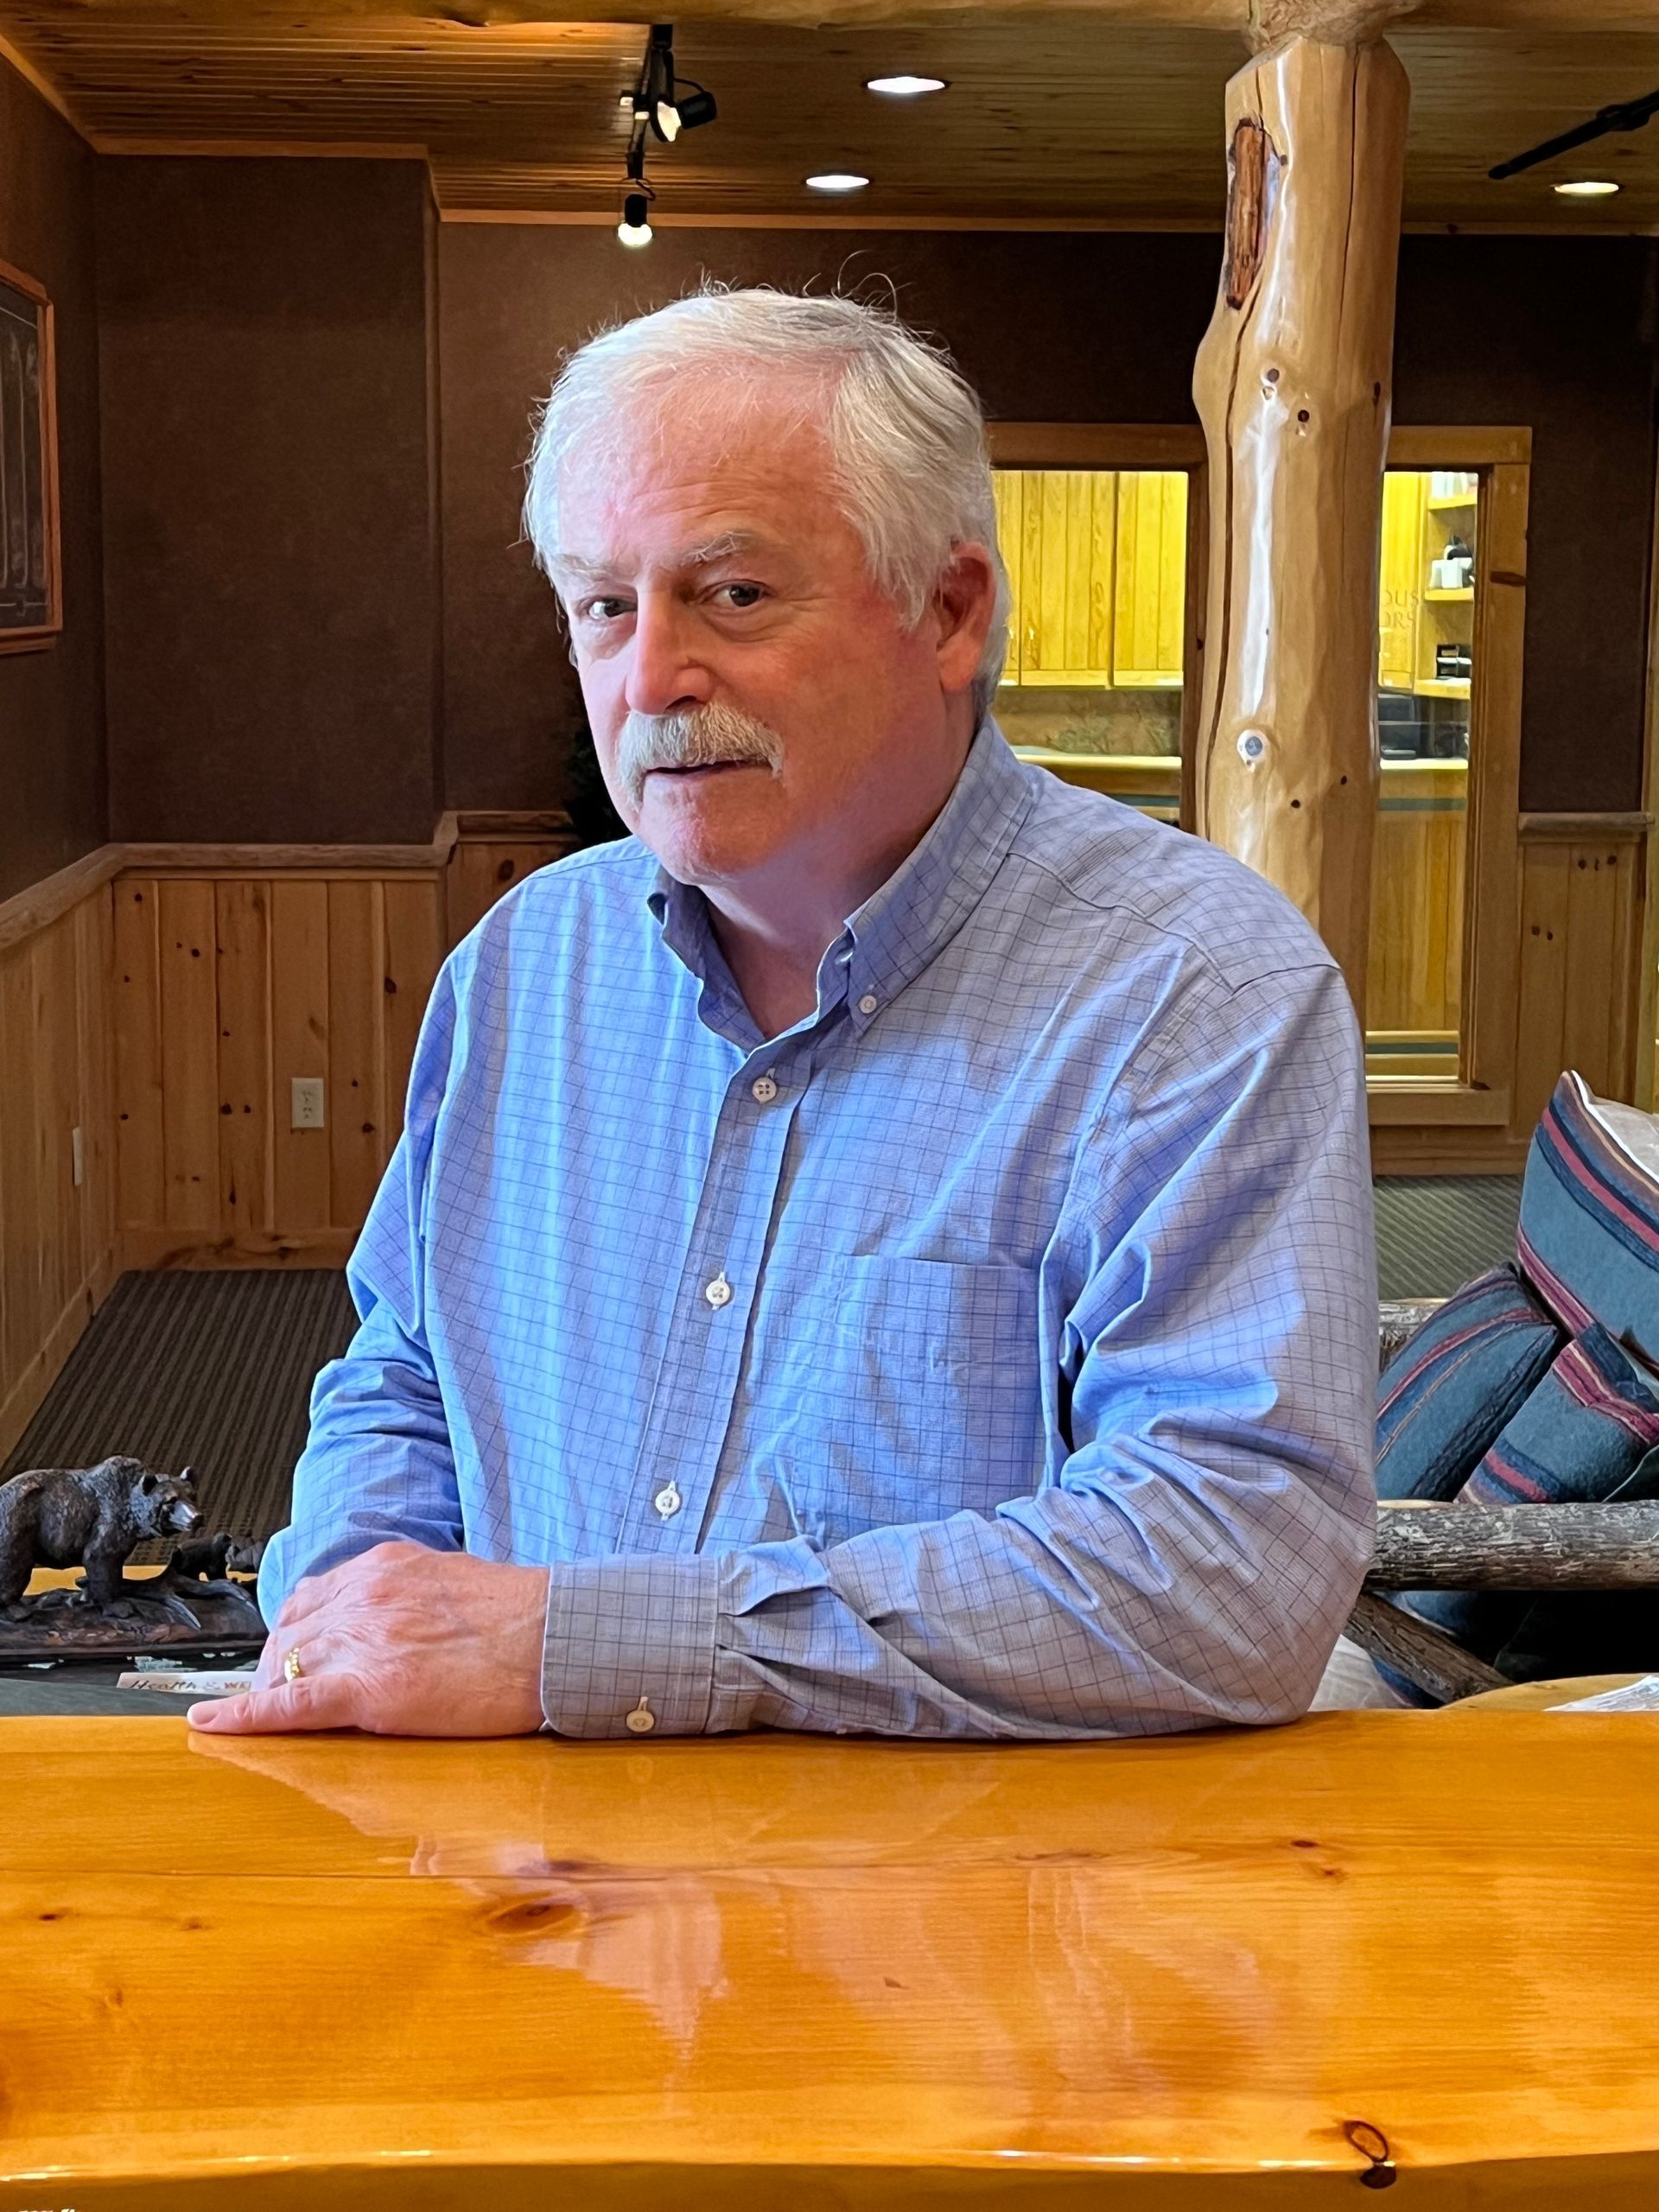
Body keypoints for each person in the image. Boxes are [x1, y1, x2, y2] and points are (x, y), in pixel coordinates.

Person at [190, 289, 1376, 1742]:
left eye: (733, 596)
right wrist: (351, 1615)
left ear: (951, 612)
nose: (650, 680)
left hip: (962, 1924)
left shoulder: (1196, 994)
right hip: (514, 1890)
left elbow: (1235, 1563)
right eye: (605, 608)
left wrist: (595, 1647)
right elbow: (406, 1372)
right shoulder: (521, 967)